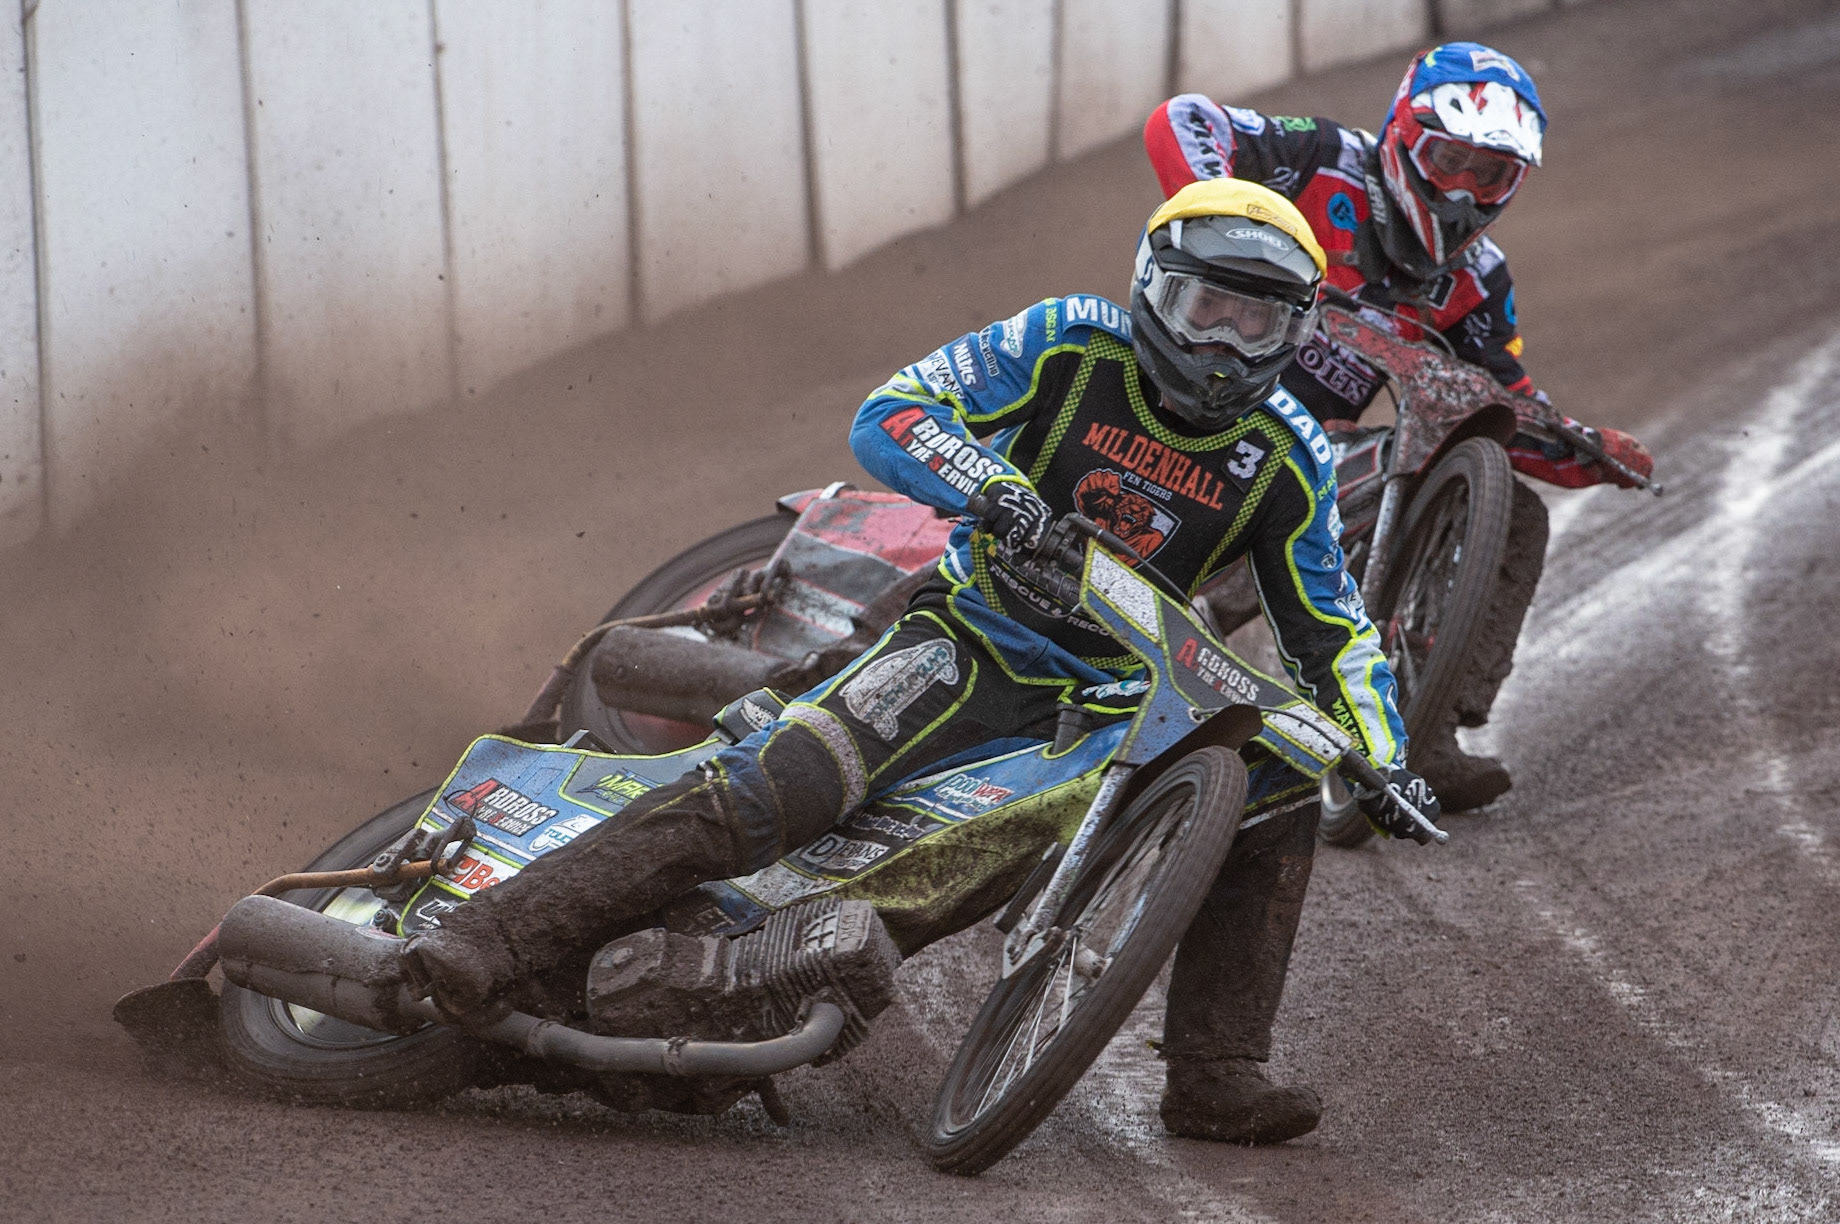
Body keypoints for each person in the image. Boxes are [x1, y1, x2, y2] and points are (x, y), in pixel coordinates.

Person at [402, 179, 1437, 1146]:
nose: (1222, 345)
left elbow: (1333, 630)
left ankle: (1216, 1073)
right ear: (1153, 291)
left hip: (1125, 705)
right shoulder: (1068, 342)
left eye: (1255, 322)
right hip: (970, 637)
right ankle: (494, 934)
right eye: (1206, 308)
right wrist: (991, 484)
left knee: (1282, 778)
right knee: (785, 786)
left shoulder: (1289, 455)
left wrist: (1382, 753)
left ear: (1293, 333)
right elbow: (893, 412)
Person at [1144, 41, 1654, 812]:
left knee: (1512, 508)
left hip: (1305, 449)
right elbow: (1181, 121)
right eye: (1449, 159)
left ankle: (1425, 731)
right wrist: (1227, 223)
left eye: (1489, 174)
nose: (1462, 191)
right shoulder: (1319, 161)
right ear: (1403, 136)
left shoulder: (1477, 281)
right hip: (1181, 398)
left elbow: (1501, 403)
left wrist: (1591, 450)